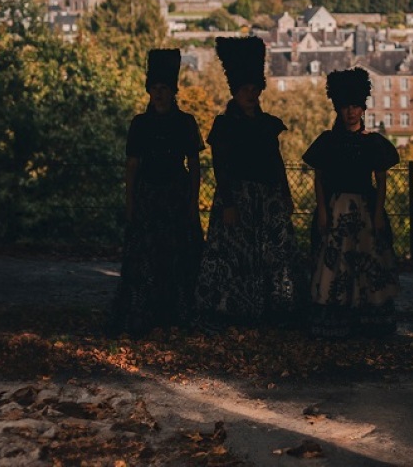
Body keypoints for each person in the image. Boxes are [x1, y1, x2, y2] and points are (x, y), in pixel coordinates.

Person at [194, 36, 304, 326]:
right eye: (245, 89)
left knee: (273, 254)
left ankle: (272, 307)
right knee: (234, 256)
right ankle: (234, 309)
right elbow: (220, 166)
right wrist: (229, 203)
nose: (251, 94)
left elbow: (276, 162)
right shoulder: (224, 125)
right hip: (237, 197)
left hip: (268, 198)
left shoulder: (268, 124)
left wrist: (286, 194)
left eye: (255, 89)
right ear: (235, 91)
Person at [106, 48, 204, 338]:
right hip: (149, 195)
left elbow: (195, 165)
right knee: (146, 258)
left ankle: (176, 314)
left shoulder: (185, 123)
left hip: (175, 195)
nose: (159, 94)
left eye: (164, 88)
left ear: (172, 91)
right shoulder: (140, 124)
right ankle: (145, 314)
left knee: (177, 257)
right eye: (154, 88)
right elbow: (132, 165)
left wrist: (192, 202)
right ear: (149, 90)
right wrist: (130, 203)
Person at [302, 67, 400, 338]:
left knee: (368, 258)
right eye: (346, 106)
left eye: (355, 106)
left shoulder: (374, 143)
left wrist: (378, 214)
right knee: (334, 264)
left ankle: (367, 319)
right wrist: (323, 211)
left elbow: (381, 181)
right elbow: (319, 179)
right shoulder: (328, 141)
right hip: (335, 208)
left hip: (365, 209)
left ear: (363, 108)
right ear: (338, 108)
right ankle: (337, 317)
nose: (351, 112)